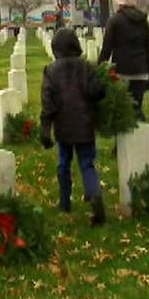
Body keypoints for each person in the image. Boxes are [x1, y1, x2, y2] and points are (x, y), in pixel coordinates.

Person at [40, 28, 106, 225]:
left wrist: (45, 128)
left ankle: (64, 201)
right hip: (85, 124)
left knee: (64, 163)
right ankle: (94, 196)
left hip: (63, 126)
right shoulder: (86, 67)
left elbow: (48, 101)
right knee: (87, 163)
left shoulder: (51, 70)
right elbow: (97, 91)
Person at [97, 0, 149, 121]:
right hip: (141, 72)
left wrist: (100, 72)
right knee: (137, 110)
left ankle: (123, 143)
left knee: (122, 114)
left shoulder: (115, 21)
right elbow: (148, 50)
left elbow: (106, 50)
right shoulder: (143, 21)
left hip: (121, 73)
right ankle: (142, 139)